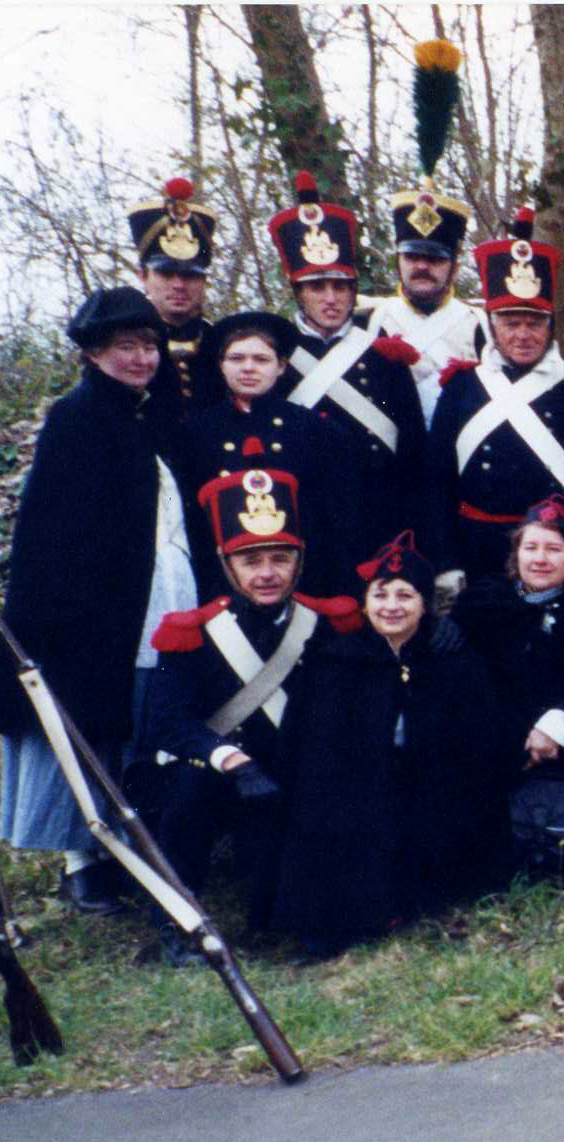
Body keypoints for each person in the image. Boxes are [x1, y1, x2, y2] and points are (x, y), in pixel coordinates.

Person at [0, 287, 195, 914]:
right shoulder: (76, 419)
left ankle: (138, 849)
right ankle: (84, 860)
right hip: (94, 608)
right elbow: (52, 532)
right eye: (125, 347)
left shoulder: (149, 411)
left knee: (143, 724)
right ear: (93, 352)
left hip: (160, 586)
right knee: (87, 729)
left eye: (148, 346)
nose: (141, 358)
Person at [142, 466, 360, 964]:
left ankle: (323, 916)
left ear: (299, 561)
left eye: (280, 558)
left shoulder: (329, 622)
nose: (267, 573)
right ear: (226, 563)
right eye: (252, 559)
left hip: (294, 775)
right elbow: (169, 723)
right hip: (223, 775)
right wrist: (229, 760)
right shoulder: (190, 632)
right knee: (187, 790)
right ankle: (179, 925)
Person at [271, 532, 500, 958]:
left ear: (425, 604)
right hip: (352, 794)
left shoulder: (451, 658)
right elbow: (310, 748)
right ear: (365, 601)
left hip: (426, 791)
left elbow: (478, 744)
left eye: (405, 595)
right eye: (381, 594)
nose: (391, 606)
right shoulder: (337, 659)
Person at [426, 211, 564, 597]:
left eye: (534, 323)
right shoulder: (462, 388)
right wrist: (446, 566)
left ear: (550, 325)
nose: (523, 335)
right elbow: (437, 486)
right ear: (492, 324)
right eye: (511, 322)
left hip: (561, 562)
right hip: (477, 559)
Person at [266, 170, 427, 565]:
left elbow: (414, 458)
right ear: (298, 292)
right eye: (317, 287)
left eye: (341, 287)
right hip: (300, 524)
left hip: (378, 524)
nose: (331, 298)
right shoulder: (274, 355)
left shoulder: (384, 358)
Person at [451, 495, 564, 876]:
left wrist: (559, 720)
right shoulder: (483, 604)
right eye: (532, 547)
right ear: (516, 552)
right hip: (502, 740)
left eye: (554, 549)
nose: (540, 559)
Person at [181, 311, 358, 596]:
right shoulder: (193, 433)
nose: (248, 368)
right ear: (221, 365)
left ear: (281, 366)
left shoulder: (317, 431)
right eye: (237, 359)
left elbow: (338, 522)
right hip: (220, 586)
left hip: (307, 584)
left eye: (261, 359)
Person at [366, 39, 485, 429]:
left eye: (435, 259)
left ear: (454, 263)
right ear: (398, 258)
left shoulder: (478, 324)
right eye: (412, 256)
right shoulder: (370, 320)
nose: (422, 266)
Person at [128, 176, 221, 412]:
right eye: (166, 274)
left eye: (190, 276)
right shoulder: (125, 348)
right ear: (143, 277)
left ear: (204, 281)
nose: (178, 284)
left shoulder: (222, 344)